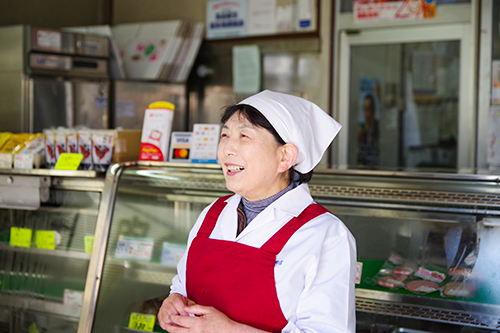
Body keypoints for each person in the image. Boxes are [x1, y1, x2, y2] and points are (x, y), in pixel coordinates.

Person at [158, 90, 357, 333]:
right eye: (225, 135)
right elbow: (182, 286)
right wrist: (173, 302)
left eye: (244, 136)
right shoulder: (213, 214)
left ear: (284, 157)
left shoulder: (325, 235)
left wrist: (226, 330)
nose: (226, 150)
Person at [357, 94, 379, 167]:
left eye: (368, 109)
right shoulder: (362, 130)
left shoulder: (378, 129)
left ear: (373, 110)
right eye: (364, 109)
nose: (366, 114)